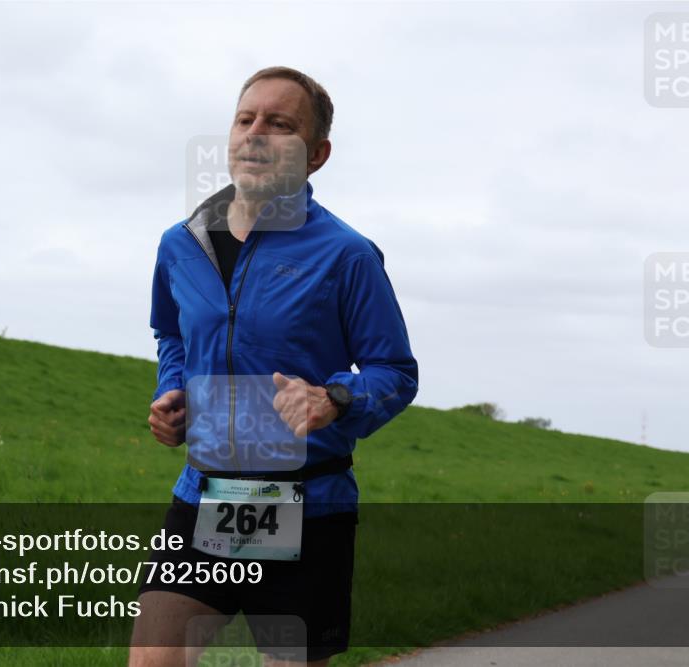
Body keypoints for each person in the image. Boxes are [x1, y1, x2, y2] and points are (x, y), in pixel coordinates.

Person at [130, 66, 418, 667]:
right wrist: (173, 392)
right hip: (205, 494)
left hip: (309, 505)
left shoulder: (347, 255)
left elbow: (396, 371)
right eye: (246, 119)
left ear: (317, 154)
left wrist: (336, 398)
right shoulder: (180, 243)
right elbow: (172, 335)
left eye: (279, 124)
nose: (256, 133)